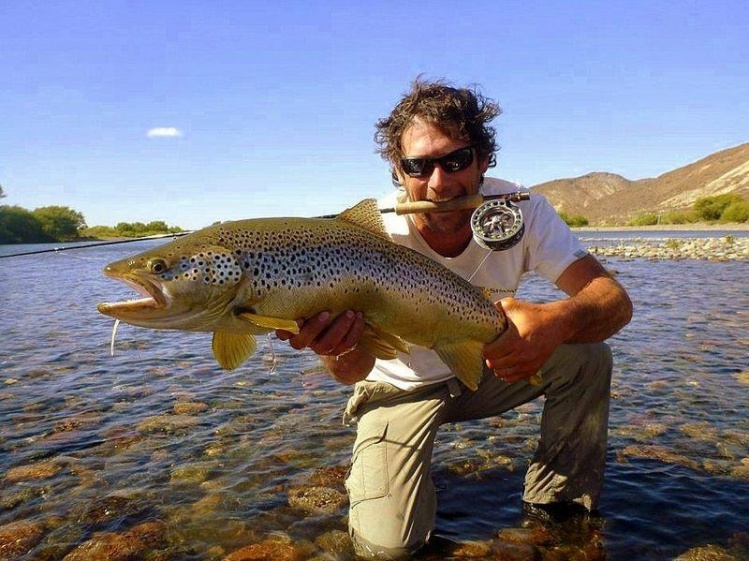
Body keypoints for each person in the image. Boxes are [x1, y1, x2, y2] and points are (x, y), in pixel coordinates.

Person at [277, 78, 633, 559]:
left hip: (485, 367)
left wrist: (558, 321)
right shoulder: (366, 234)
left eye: (456, 161)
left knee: (588, 355)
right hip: (397, 389)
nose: (439, 184)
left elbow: (613, 300)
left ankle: (559, 515)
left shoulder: (522, 208)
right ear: (398, 171)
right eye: (419, 166)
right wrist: (337, 346)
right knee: (389, 550)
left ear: (483, 159)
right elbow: (350, 373)